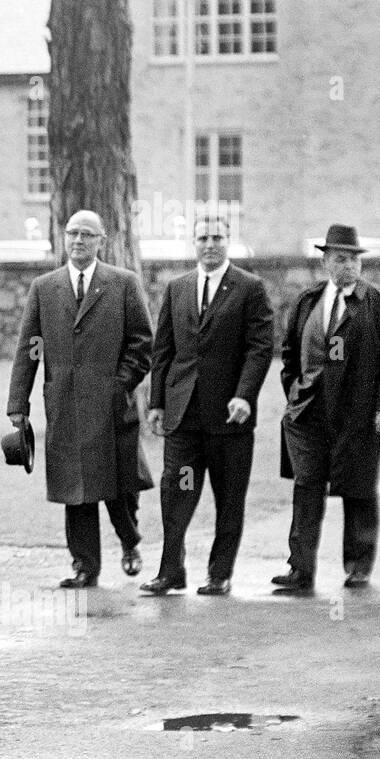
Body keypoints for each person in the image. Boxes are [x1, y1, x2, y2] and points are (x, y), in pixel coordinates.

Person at [6, 209, 154, 588]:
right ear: (63, 237)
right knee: (76, 491)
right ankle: (85, 565)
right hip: (65, 405)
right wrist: (18, 406)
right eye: (72, 233)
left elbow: (142, 343)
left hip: (112, 407)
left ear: (101, 240)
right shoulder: (45, 287)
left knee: (120, 486)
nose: (78, 241)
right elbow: (30, 348)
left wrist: (119, 384)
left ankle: (130, 541)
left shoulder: (123, 283)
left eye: (88, 234)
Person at [143, 214, 274, 595]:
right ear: (193, 243)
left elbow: (260, 347)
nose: (210, 244)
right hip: (184, 420)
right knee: (178, 490)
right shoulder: (178, 288)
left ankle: (219, 573)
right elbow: (163, 349)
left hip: (229, 420)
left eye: (217, 237)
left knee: (228, 497)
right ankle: (171, 570)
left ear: (228, 240)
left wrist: (244, 395)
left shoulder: (249, 288)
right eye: (203, 238)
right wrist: (157, 403)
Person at [274, 224, 380, 594]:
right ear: (325, 262)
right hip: (308, 413)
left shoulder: (376, 302)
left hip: (359, 412)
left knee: (358, 488)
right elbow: (289, 353)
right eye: (340, 259)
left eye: (354, 259)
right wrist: (295, 392)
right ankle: (300, 569)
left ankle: (357, 565)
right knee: (307, 487)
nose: (349, 266)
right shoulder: (309, 300)